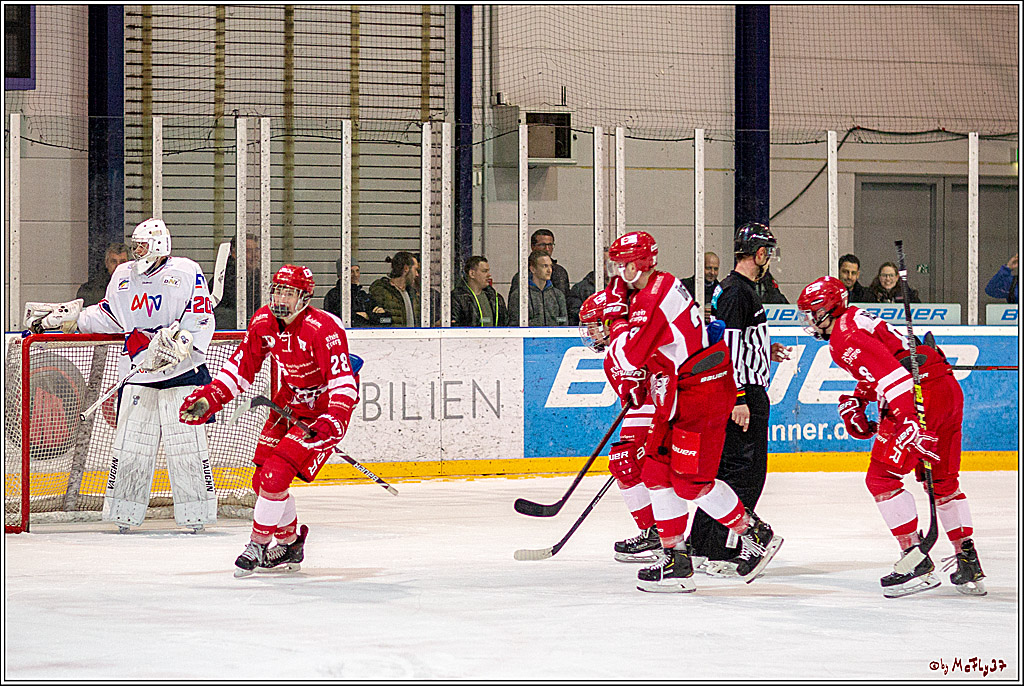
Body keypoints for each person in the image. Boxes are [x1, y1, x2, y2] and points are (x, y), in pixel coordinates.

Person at [585, 230, 783, 592]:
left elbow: (630, 357)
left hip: (701, 392)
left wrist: (617, 324)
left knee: (691, 483)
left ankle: (756, 533)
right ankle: (675, 557)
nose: (618, 271)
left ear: (641, 263)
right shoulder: (656, 285)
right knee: (656, 470)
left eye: (623, 264)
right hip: (677, 389)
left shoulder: (652, 300)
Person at [24, 218, 218, 533]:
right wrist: (73, 319)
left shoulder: (185, 271)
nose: (136, 251)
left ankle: (196, 515)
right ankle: (124, 514)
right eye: (135, 244)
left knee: (186, 446)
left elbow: (201, 319)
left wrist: (178, 346)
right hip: (139, 372)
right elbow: (111, 315)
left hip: (183, 375)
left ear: (158, 245)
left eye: (141, 245)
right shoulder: (123, 277)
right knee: (131, 447)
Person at [797, 275, 986, 598]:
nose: (809, 321)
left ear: (826, 309)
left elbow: (895, 377)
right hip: (945, 389)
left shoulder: (843, 338)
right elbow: (886, 361)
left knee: (882, 479)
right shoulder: (855, 317)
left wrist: (910, 421)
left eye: (811, 313)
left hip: (917, 397)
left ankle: (915, 561)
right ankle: (967, 561)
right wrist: (860, 398)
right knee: (943, 484)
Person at [179, 264, 361, 577]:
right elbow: (241, 368)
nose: (280, 298)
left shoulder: (324, 328)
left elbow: (343, 382)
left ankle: (257, 544)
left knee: (275, 478)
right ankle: (290, 544)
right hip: (285, 406)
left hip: (321, 414)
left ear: (305, 297)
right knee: (259, 479)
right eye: (277, 290)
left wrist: (333, 421)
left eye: (288, 292)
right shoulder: (264, 321)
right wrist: (210, 398)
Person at [692, 222, 791, 572]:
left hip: (743, 390)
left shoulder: (738, 288)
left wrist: (765, 349)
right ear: (759, 253)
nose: (770, 260)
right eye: (768, 253)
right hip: (743, 395)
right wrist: (737, 399)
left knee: (729, 470)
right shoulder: (737, 292)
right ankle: (718, 549)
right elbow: (726, 348)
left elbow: (739, 342)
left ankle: (704, 545)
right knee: (744, 474)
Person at [509, 229, 571, 306]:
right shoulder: (522, 275)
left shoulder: (560, 272)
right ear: (533, 246)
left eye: (550, 245)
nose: (547, 249)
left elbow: (567, 302)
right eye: (543, 245)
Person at [507, 250, 568, 327]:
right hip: (529, 338)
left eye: (550, 266)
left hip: (554, 338)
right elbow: (514, 324)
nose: (549, 270)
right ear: (533, 269)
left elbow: (563, 322)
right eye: (545, 266)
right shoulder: (520, 295)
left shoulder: (558, 295)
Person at [323, 260, 389, 327]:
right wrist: (372, 317)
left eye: (357, 271)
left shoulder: (364, 296)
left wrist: (368, 316)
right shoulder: (334, 296)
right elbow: (342, 321)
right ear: (341, 275)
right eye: (351, 272)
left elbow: (387, 320)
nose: (355, 275)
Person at [217, 235, 262, 329]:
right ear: (234, 253)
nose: (255, 256)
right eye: (249, 251)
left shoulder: (258, 277)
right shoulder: (222, 280)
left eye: (256, 250)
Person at [451, 256, 508, 327]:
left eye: (488, 271)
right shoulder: (457, 298)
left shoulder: (496, 298)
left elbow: (505, 324)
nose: (489, 275)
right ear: (472, 274)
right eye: (484, 271)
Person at [369, 251, 421, 327]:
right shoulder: (381, 291)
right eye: (415, 269)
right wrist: (388, 320)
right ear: (406, 268)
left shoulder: (412, 294)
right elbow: (376, 320)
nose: (417, 274)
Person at [77, 242, 130, 307]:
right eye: (113, 262)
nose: (118, 266)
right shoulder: (88, 290)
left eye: (122, 262)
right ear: (106, 263)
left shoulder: (137, 287)